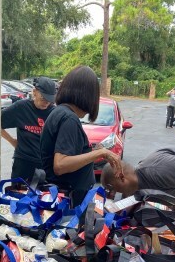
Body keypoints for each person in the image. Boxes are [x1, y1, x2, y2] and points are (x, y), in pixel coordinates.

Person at [40, 65, 122, 205]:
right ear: (88, 96)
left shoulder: (60, 112)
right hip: (69, 201)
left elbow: (70, 156)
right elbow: (60, 165)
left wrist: (92, 151)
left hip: (65, 196)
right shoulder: (69, 119)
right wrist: (100, 153)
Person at [1, 77, 56, 180]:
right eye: (43, 98)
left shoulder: (55, 112)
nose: (46, 103)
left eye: (49, 100)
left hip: (46, 166)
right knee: (19, 195)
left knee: (45, 196)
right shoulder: (21, 108)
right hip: (23, 164)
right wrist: (12, 141)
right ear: (34, 92)